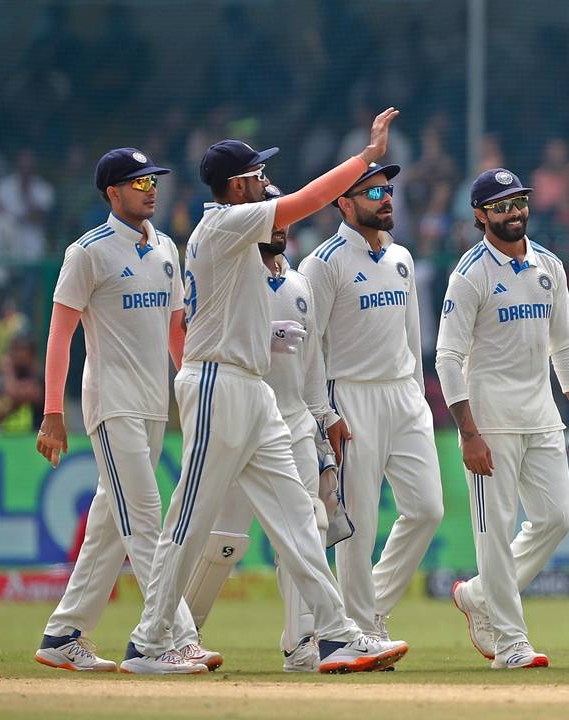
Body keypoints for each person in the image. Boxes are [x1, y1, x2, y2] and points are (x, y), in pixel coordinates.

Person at [124, 108, 410, 674]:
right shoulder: (223, 224)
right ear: (236, 187)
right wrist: (365, 158)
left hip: (252, 388)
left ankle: (334, 634)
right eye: (257, 175)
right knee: (189, 520)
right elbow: (305, 202)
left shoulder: (240, 234)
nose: (265, 182)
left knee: (301, 518)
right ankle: (149, 642)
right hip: (216, 381)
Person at [34, 148, 219, 672]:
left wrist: (194, 388)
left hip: (154, 404)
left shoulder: (165, 248)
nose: (150, 189)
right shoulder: (87, 252)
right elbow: (60, 334)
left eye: (152, 180)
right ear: (112, 193)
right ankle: (166, 640)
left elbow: (176, 330)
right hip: (111, 404)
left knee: (108, 527)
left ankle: (62, 634)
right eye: (138, 183)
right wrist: (52, 411)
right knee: (145, 520)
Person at [183, 184, 354, 672]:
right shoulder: (233, 272)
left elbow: (313, 360)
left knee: (307, 525)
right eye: (271, 220)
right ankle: (183, 632)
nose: (279, 228)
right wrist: (265, 335)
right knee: (223, 542)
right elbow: (206, 330)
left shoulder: (299, 284)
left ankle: (302, 642)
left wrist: (324, 418)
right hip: (238, 414)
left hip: (293, 419)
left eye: (283, 221)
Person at [438, 169, 569, 669]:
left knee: (556, 518)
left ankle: (478, 595)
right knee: (494, 532)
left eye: (519, 202)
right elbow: (447, 358)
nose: (514, 212)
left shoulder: (549, 265)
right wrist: (469, 433)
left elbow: (565, 346)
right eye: (501, 206)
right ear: (480, 215)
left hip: (541, 416)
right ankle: (510, 641)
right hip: (491, 422)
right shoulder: (470, 273)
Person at [299, 162, 444, 645]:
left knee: (427, 509)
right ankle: (358, 629)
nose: (387, 200)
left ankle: (371, 608)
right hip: (351, 395)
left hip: (403, 394)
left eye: (388, 190)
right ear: (344, 203)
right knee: (357, 524)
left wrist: (418, 395)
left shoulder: (402, 257)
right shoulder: (323, 263)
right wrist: (324, 414)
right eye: (374, 193)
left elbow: (411, 335)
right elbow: (310, 348)